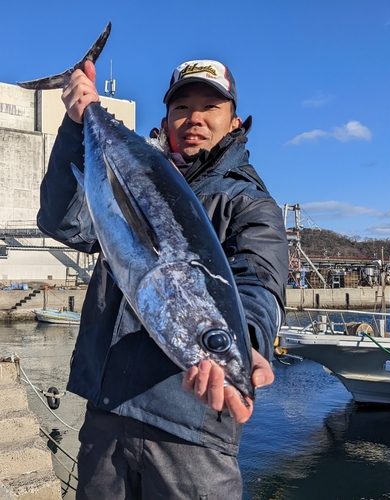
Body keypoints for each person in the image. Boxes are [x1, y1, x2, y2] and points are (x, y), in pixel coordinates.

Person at [37, 58, 289, 499]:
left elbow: (258, 280)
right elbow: (64, 225)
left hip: (190, 433)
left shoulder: (248, 204)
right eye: (182, 107)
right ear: (166, 119)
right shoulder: (131, 166)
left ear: (234, 122)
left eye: (210, 106)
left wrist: (244, 337)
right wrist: (77, 127)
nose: (194, 118)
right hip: (107, 414)